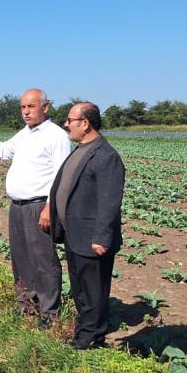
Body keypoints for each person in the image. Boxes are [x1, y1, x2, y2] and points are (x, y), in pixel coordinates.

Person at [0, 89, 71, 325]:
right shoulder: (25, 134)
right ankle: (27, 305)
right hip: (18, 206)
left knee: (43, 259)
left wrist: (50, 207)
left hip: (39, 205)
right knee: (21, 258)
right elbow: (3, 150)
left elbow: (61, 176)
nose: (26, 112)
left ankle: (50, 313)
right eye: (23, 107)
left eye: (31, 106)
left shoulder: (56, 136)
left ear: (45, 107)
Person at [48, 102, 125, 349]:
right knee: (80, 289)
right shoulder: (81, 149)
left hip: (92, 238)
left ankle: (91, 339)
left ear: (85, 123)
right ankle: (84, 331)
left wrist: (102, 237)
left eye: (70, 120)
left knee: (93, 292)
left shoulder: (106, 156)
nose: (66, 124)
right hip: (75, 235)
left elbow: (109, 201)